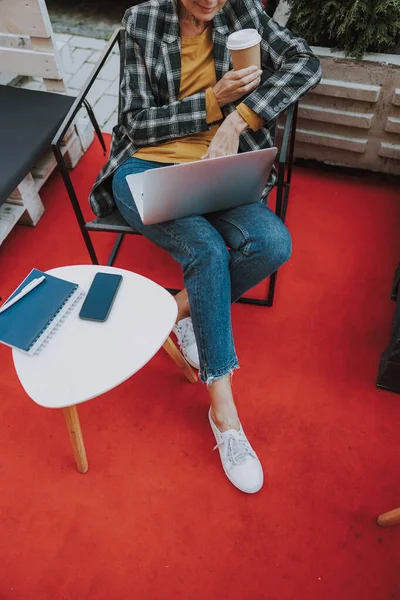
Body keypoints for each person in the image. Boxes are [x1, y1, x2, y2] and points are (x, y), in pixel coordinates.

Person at [89, 0, 321, 494]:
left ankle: (175, 311)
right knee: (208, 253)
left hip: (218, 165)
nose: (213, 1)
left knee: (273, 242)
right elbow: (133, 122)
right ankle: (225, 413)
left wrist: (239, 120)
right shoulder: (143, 21)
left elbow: (307, 62)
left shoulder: (242, 15)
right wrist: (212, 102)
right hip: (146, 168)